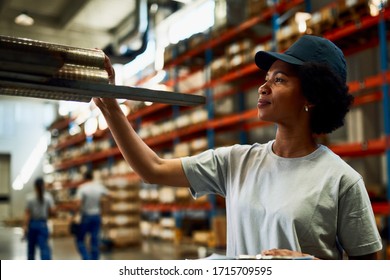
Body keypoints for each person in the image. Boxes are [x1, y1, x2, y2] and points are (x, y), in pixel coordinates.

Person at [93, 35, 383, 260]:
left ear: (313, 96)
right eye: (266, 79)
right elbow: (152, 169)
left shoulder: (341, 181)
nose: (263, 87)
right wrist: (110, 106)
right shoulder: (237, 162)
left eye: (279, 80)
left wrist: (312, 267)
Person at [73, 170, 109, 260]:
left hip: (86, 216)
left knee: (80, 240)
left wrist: (76, 215)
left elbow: (78, 203)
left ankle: (86, 258)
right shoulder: (99, 187)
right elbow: (110, 195)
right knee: (95, 240)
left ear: (84, 178)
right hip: (97, 216)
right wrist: (105, 209)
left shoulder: (82, 188)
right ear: (92, 177)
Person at [23, 177, 55, 260]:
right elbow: (52, 211)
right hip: (43, 224)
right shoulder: (48, 197)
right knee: (44, 248)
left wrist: (25, 226)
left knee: (31, 249)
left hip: (32, 225)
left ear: (35, 186)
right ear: (43, 185)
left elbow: (27, 213)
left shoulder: (29, 197)